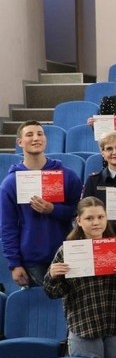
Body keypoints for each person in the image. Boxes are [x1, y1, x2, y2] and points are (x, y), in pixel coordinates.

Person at [44, 196, 116, 358]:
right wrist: (52, 276)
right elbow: (52, 293)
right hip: (83, 326)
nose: (96, 222)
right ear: (78, 221)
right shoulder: (67, 251)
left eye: (100, 217)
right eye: (89, 218)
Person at [0, 121, 82, 287]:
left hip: (66, 255)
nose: (36, 138)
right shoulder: (10, 183)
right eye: (29, 135)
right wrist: (14, 264)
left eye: (40, 134)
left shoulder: (68, 176)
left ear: (45, 140)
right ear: (20, 142)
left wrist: (53, 209)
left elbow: (78, 213)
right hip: (32, 260)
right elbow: (7, 226)